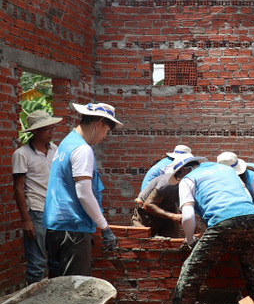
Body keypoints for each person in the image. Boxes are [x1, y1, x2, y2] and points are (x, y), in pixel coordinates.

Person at [148, 159, 254, 304]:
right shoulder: (225, 170)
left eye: (178, 175)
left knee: (191, 270)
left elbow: (187, 216)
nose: (178, 179)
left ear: (184, 171)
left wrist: (189, 241)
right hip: (250, 218)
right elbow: (247, 197)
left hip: (223, 221)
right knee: (251, 268)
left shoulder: (189, 179)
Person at [44, 102, 122, 276]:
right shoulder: (82, 149)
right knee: (75, 288)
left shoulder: (66, 142)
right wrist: (105, 228)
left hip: (55, 225)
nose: (104, 137)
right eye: (106, 131)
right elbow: (84, 193)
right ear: (99, 124)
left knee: (56, 285)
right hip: (73, 228)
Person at [11, 110, 62, 284]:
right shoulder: (22, 154)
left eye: (52, 128)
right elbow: (18, 188)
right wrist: (25, 220)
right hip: (36, 211)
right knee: (37, 263)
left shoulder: (55, 149)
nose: (51, 132)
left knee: (56, 261)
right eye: (46, 129)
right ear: (35, 131)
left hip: (54, 211)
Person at [131, 155, 201, 237]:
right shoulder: (167, 183)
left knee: (171, 243)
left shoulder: (190, 184)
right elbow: (148, 205)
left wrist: (194, 221)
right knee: (141, 241)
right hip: (146, 213)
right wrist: (173, 216)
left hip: (168, 208)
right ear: (183, 170)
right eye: (194, 170)